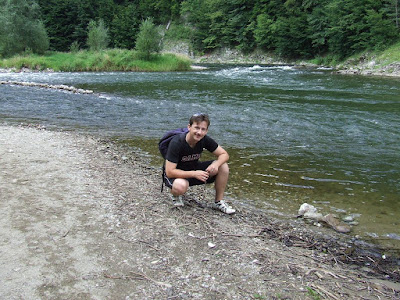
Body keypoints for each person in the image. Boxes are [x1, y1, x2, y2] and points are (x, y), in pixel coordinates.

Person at [163, 113, 235, 214]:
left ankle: (218, 202)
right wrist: (194, 173)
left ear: (206, 131)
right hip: (176, 175)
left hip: (194, 169)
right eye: (196, 128)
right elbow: (170, 172)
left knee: (223, 166)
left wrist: (216, 164)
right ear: (189, 127)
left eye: (203, 129)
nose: (199, 132)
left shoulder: (204, 139)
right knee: (180, 186)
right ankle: (175, 195)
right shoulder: (177, 142)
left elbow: (224, 154)